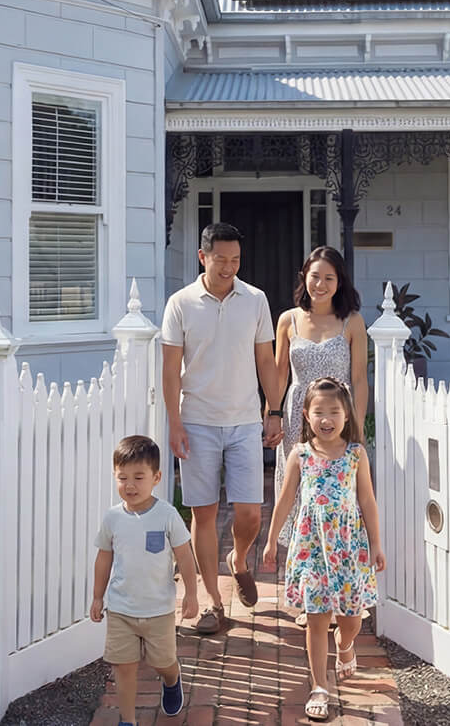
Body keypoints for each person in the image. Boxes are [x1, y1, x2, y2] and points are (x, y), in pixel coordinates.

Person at [161, 222, 286, 634]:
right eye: (221, 260)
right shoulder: (180, 304)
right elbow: (170, 370)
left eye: (235, 260)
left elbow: (266, 361)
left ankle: (240, 557)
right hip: (196, 422)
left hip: (245, 422)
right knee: (204, 513)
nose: (229, 267)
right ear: (203, 257)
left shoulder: (255, 300)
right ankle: (215, 602)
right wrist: (175, 423)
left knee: (250, 513)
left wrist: (275, 411)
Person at [261, 377, 385, 721]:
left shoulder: (356, 454)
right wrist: (271, 540)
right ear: (306, 414)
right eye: (319, 412)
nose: (326, 418)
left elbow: (367, 501)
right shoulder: (300, 454)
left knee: (350, 620)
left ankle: (346, 646)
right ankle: (319, 686)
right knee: (316, 622)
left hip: (348, 548)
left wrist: (376, 544)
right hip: (312, 548)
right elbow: (285, 499)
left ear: (347, 415)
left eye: (334, 411)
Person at [273, 246, 369, 608]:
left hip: (337, 421)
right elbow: (280, 375)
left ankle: (338, 589)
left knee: (334, 503)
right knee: (299, 501)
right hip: (298, 417)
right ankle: (305, 595)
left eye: (329, 277)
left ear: (339, 281)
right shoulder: (288, 320)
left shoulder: (352, 322)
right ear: (305, 278)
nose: (321, 284)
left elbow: (359, 379)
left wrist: (354, 426)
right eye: (315, 276)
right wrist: (270, 413)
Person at [90, 435, 198, 725]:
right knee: (123, 667)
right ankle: (128, 720)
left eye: (139, 477)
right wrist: (98, 596)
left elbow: (186, 557)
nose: (130, 485)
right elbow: (104, 559)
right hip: (121, 608)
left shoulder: (167, 515)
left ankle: (172, 678)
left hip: (158, 610)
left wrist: (191, 594)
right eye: (122, 477)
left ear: (156, 477)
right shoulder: (112, 518)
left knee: (161, 661)